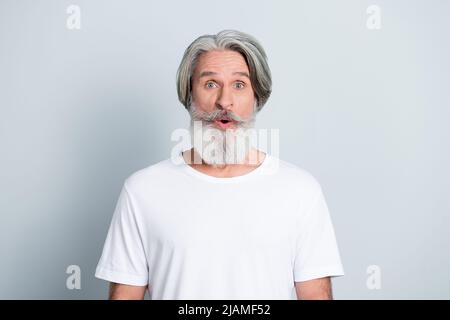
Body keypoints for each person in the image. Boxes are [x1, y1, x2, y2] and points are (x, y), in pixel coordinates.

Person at [95, 30, 344, 300]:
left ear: (256, 97)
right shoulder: (142, 191)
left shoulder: (300, 191)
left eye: (239, 85)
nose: (225, 101)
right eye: (211, 84)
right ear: (189, 94)